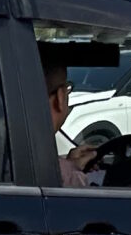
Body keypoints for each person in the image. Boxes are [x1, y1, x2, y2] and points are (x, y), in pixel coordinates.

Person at [42, 57, 100, 186]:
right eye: (68, 88)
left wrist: (69, 164)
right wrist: (70, 170)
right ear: (60, 97)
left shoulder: (1, 144)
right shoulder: (70, 180)